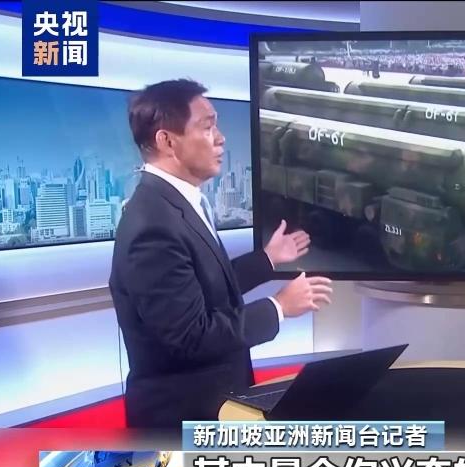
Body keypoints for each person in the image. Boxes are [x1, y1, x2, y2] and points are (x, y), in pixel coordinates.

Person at [110, 79, 333, 429]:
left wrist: (267, 259)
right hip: (181, 422)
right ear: (167, 141)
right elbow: (191, 336)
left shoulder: (177, 203)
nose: (221, 138)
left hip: (213, 408)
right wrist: (278, 307)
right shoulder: (152, 225)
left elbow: (202, 288)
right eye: (207, 126)